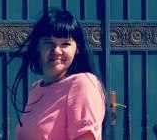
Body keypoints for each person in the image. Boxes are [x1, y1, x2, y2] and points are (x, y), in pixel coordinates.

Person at [12, 9, 106, 140]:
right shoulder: (36, 89)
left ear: (77, 48)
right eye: (49, 43)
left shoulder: (82, 84)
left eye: (65, 44)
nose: (56, 51)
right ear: (38, 45)